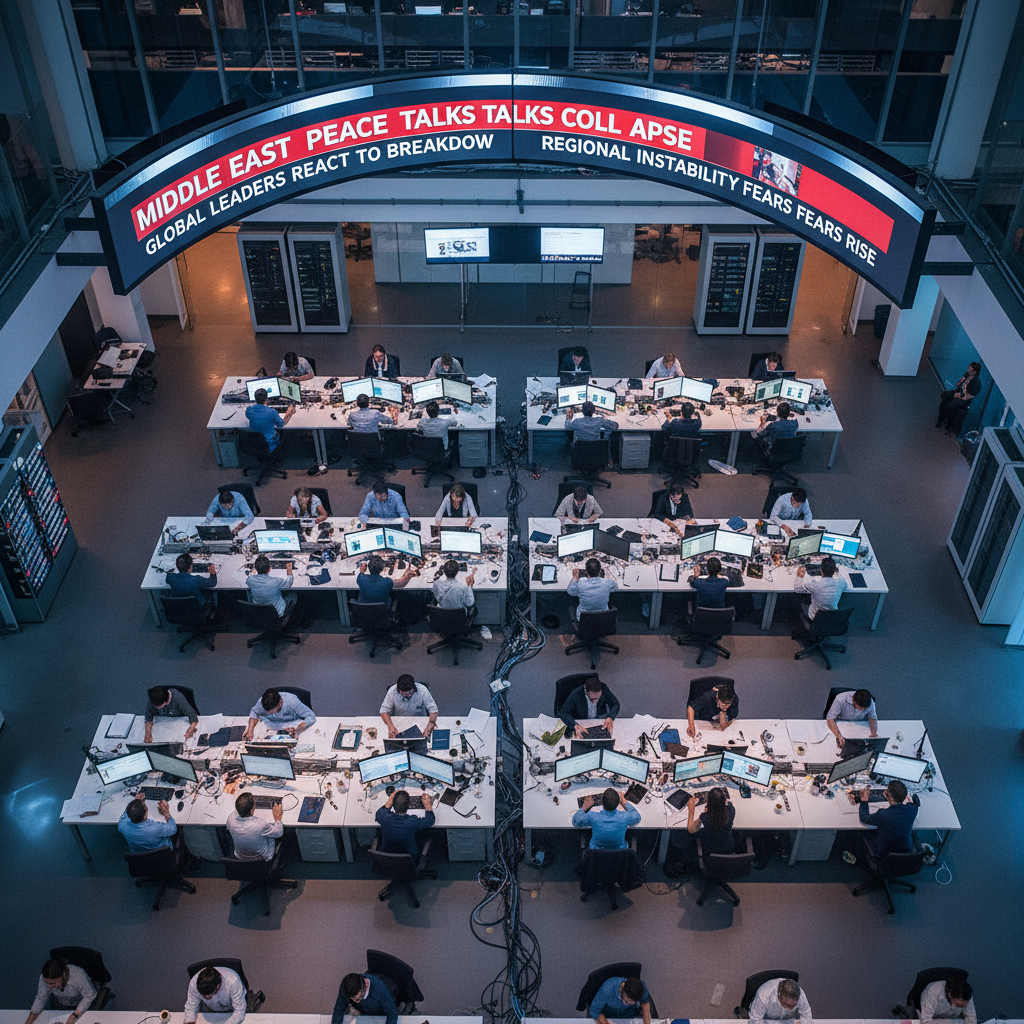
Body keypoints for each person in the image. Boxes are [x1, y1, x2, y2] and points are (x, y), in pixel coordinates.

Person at [24, 958, 96, 1024]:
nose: (49, 986)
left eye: (53, 983)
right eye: (47, 983)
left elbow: (89, 995)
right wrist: (28, 1022)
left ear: (64, 976)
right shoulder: (45, 978)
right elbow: (41, 998)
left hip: (83, 1003)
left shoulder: (78, 975)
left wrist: (73, 1016)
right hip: (61, 1003)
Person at [858, 778, 917, 856]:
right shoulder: (913, 809)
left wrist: (864, 800)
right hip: (906, 851)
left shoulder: (883, 815)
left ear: (886, 794)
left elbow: (864, 818)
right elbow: (912, 805)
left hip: (883, 853)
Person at [572, 788, 641, 850]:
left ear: (602, 802)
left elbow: (575, 821)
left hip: (596, 854)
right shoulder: (624, 817)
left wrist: (584, 807)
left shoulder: (593, 817)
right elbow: (637, 817)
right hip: (620, 853)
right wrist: (624, 802)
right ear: (618, 803)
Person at [375, 788, 435, 857]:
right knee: (426, 834)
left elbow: (379, 813)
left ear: (393, 805)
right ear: (408, 805)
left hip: (386, 857)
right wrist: (428, 805)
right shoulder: (412, 821)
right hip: (410, 859)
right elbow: (430, 820)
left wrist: (390, 800)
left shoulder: (384, 818)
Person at [227, 791, 283, 860]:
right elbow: (279, 833)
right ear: (252, 809)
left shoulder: (230, 820)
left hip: (240, 856)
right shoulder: (260, 825)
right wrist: (277, 818)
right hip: (261, 858)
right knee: (272, 834)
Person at [243, 687, 316, 741]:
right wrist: (250, 730)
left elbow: (311, 716)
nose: (270, 713)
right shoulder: (262, 702)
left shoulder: (292, 701)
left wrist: (298, 729)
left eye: (273, 710)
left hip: (292, 727)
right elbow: (254, 712)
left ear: (280, 701)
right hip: (273, 730)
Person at [333, 973, 399, 1024]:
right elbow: (339, 1009)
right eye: (352, 999)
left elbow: (392, 1012)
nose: (357, 1002)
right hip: (362, 1012)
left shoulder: (380, 989)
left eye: (358, 998)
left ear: (366, 985)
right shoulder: (346, 986)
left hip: (380, 1012)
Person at [685, 786, 735, 853]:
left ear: (708, 803)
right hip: (729, 849)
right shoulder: (731, 810)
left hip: (710, 852)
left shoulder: (705, 817)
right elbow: (727, 804)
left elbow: (691, 829)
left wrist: (691, 809)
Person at [245, 387, 294, 451]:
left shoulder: (249, 410)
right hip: (270, 442)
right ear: (266, 399)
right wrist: (289, 412)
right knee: (284, 433)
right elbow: (281, 425)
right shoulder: (272, 412)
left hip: (255, 440)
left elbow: (253, 417)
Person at [936, 362, 981, 431]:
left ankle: (948, 423)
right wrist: (963, 379)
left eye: (970, 370)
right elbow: (958, 385)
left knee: (951, 406)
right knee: (945, 397)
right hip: (959, 392)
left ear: (975, 372)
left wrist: (959, 396)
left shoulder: (976, 383)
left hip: (965, 398)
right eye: (969, 368)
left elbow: (970, 396)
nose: (968, 371)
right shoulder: (966, 375)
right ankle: (941, 418)